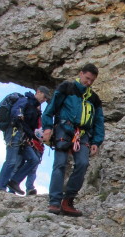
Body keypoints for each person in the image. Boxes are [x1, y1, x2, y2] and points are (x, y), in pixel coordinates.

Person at [42, 63, 105, 216]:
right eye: (87, 78)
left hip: (83, 134)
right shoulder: (66, 88)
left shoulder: (94, 99)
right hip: (64, 129)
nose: (88, 82)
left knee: (83, 163)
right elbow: (50, 110)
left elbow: (98, 121)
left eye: (92, 81)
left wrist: (96, 142)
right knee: (60, 164)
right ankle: (55, 201)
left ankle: (68, 200)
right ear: (81, 74)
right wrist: (48, 127)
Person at [0, 86, 51, 194]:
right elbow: (16, 113)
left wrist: (35, 137)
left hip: (24, 138)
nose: (44, 100)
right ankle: (0, 188)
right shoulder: (25, 101)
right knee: (11, 161)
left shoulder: (36, 110)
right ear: (38, 92)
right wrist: (19, 117)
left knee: (34, 159)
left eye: (46, 99)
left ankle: (14, 182)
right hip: (14, 133)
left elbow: (32, 127)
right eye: (44, 97)